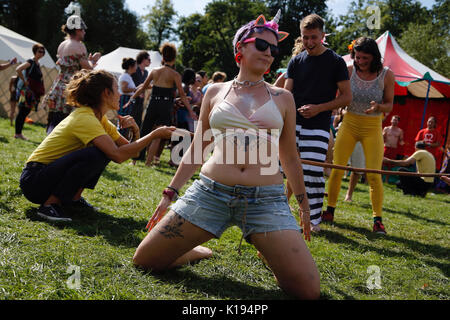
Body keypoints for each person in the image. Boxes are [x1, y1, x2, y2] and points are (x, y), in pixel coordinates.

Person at [133, 12, 320, 300]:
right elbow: (198, 146)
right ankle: (197, 249)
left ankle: (271, 249)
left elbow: (290, 156)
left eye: (274, 49)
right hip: (210, 192)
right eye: (261, 45)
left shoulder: (283, 98)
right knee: (145, 260)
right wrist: (170, 192)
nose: (269, 53)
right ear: (240, 48)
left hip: (265, 199)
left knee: (308, 291)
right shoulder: (214, 92)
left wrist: (304, 206)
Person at [19, 69, 175, 222]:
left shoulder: (100, 119)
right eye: (117, 90)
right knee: (98, 153)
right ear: (106, 93)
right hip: (34, 180)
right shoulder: (85, 118)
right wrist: (154, 135)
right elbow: (118, 155)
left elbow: (131, 153)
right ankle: (49, 205)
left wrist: (135, 131)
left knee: (102, 151)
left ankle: (73, 199)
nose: (120, 94)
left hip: (45, 176)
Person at [284, 14, 352, 232]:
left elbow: (346, 97)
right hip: (292, 123)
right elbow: (287, 92)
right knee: (282, 168)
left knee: (312, 172)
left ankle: (314, 221)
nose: (309, 43)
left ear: (323, 35)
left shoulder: (336, 62)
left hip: (319, 125)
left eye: (314, 37)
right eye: (305, 38)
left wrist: (318, 108)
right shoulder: (295, 61)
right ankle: (278, 212)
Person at [324, 37, 395, 234]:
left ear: (374, 57)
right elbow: (337, 96)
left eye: (365, 58)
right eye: (357, 56)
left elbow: (390, 104)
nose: (360, 61)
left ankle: (377, 220)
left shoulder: (386, 75)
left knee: (373, 174)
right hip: (349, 123)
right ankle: (329, 210)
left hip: (373, 127)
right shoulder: (348, 69)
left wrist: (379, 107)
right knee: (337, 168)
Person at [125, 43, 196, 165]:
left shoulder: (155, 71)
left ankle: (134, 160)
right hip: (165, 106)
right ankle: (148, 162)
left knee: (144, 131)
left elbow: (143, 88)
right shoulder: (175, 75)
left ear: (163, 57)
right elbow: (183, 95)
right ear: (174, 59)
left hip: (153, 103)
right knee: (159, 133)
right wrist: (191, 111)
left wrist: (130, 100)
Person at [42, 15, 101, 134]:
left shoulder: (62, 44)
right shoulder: (79, 46)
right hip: (71, 85)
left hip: (58, 84)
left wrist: (88, 61)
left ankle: (49, 141)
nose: (84, 32)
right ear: (77, 30)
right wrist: (93, 60)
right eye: (83, 29)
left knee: (55, 117)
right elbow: (87, 68)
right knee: (67, 119)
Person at [14, 44, 46, 140]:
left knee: (26, 111)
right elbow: (18, 69)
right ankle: (17, 133)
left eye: (43, 52)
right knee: (22, 111)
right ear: (35, 52)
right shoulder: (30, 62)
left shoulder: (37, 63)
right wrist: (24, 80)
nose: (42, 53)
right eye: (40, 51)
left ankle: (19, 133)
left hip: (33, 91)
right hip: (27, 91)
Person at [117, 57, 138, 137]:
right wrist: (136, 88)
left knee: (126, 123)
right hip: (125, 100)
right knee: (124, 122)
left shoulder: (128, 76)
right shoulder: (125, 76)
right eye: (135, 65)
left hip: (127, 100)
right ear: (131, 66)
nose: (136, 68)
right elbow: (124, 89)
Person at [131, 51, 151, 129]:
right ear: (143, 59)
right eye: (149, 60)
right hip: (132, 99)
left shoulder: (146, 72)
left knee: (138, 123)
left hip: (140, 101)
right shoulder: (134, 69)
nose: (150, 62)